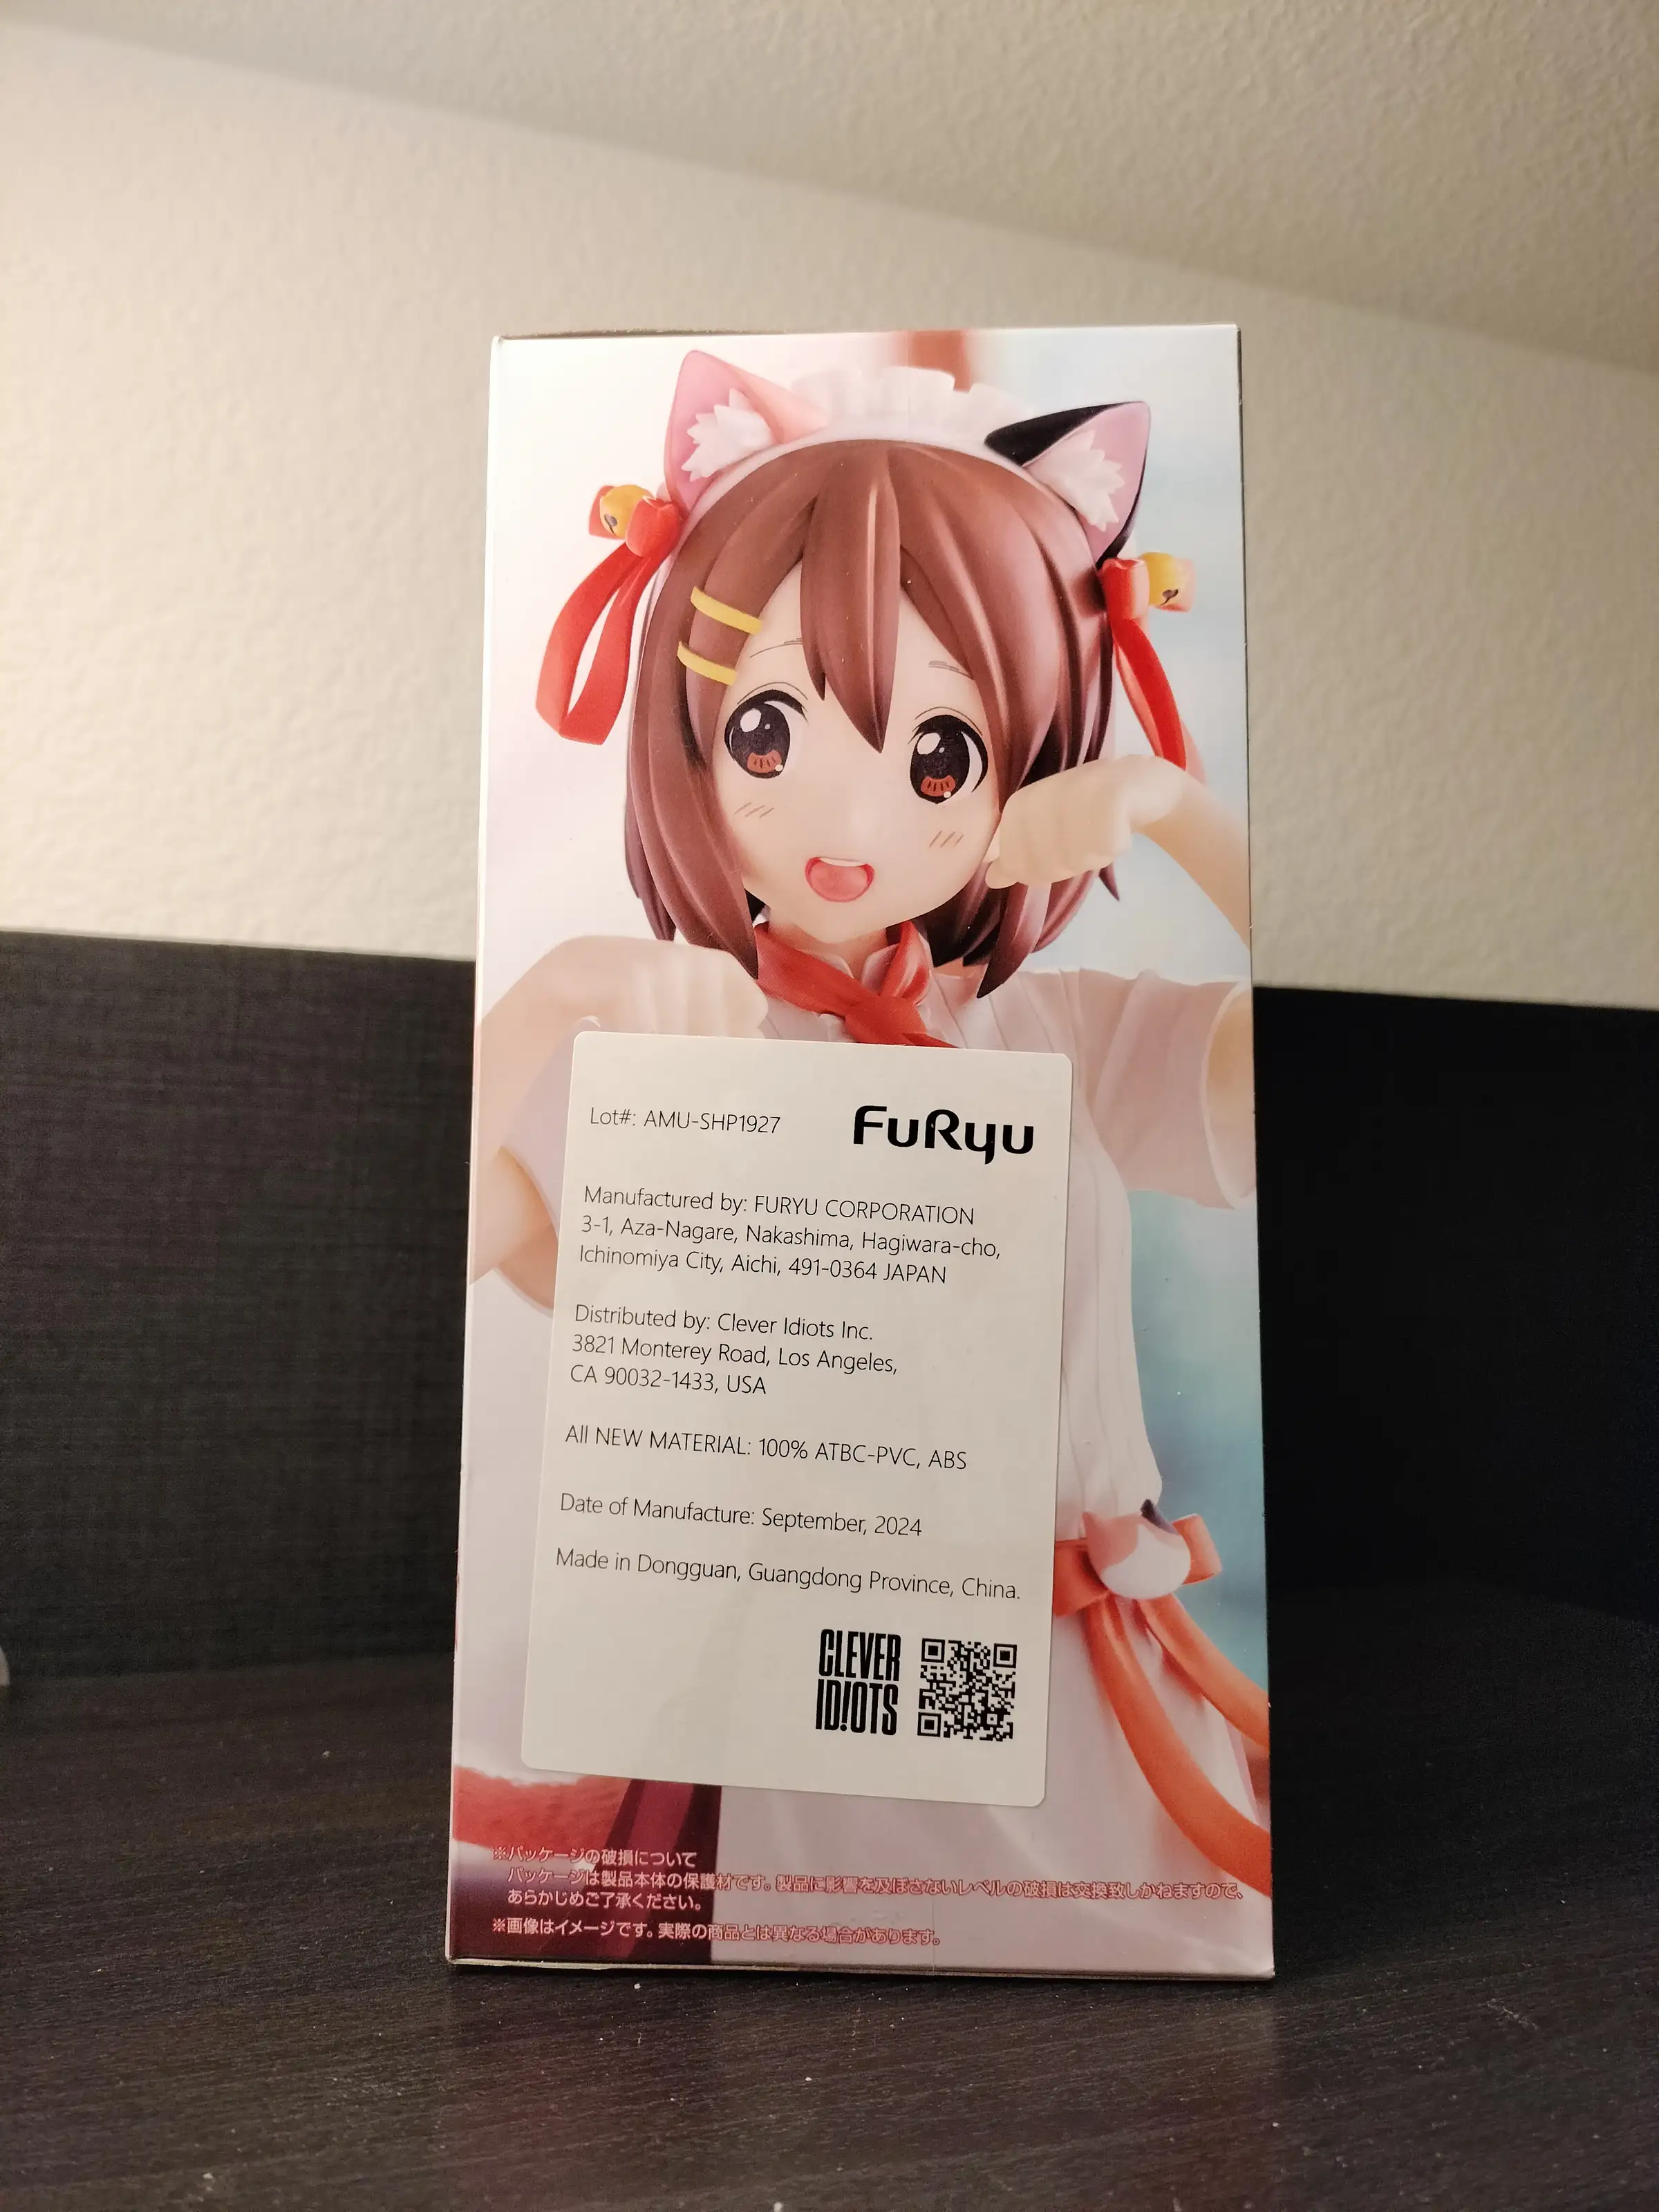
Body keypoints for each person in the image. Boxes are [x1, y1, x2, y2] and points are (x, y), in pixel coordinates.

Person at [468, 352, 1270, 1974]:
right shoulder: (657, 1044)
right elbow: (453, 1245)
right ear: (691, 736)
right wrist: (542, 1003)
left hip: (1079, 1707)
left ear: (1028, 758)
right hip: (798, 1732)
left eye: (940, 757)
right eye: (772, 727)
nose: (856, 819)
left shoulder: (1051, 1036)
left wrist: (1178, 810)